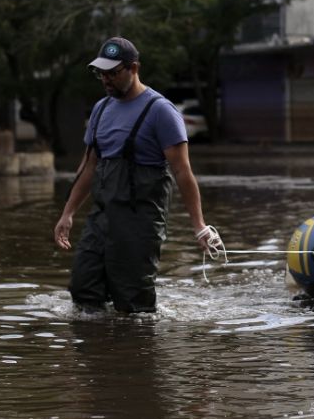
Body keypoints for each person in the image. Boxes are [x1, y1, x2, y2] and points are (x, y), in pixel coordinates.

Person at [53, 36, 212, 313]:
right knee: (83, 291)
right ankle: (100, 351)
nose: (106, 80)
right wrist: (67, 213)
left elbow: (182, 172)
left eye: (113, 73)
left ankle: (136, 351)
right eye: (101, 73)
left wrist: (199, 226)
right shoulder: (100, 110)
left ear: (134, 68)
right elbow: (89, 167)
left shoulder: (161, 111)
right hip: (101, 218)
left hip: (140, 222)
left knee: (132, 304)